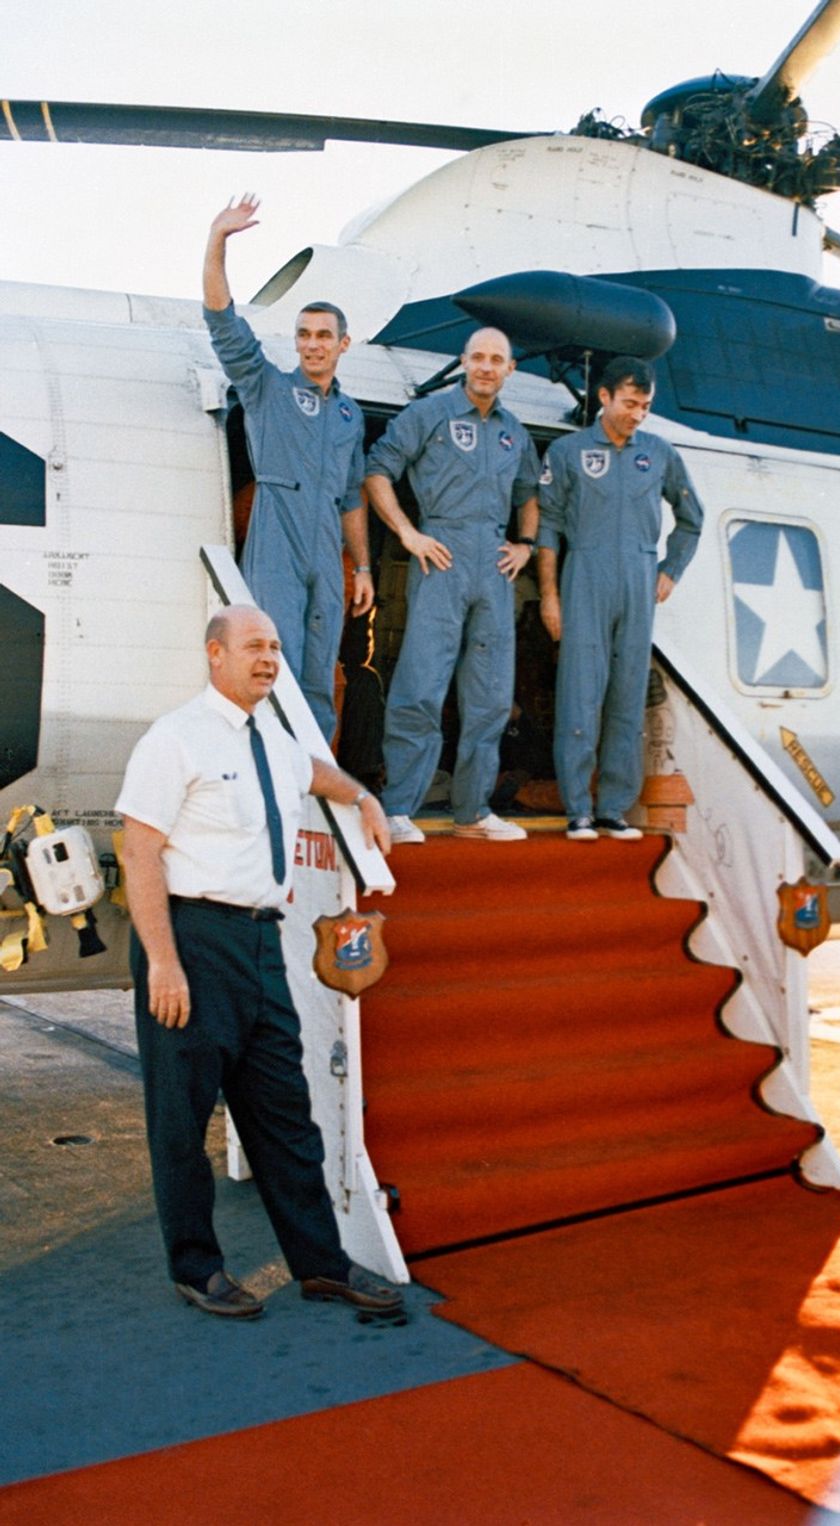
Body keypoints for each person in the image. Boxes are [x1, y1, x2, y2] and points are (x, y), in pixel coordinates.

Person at [116, 604, 402, 1320]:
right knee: (181, 1120)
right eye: (253, 647)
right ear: (215, 654)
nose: (269, 659)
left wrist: (363, 796)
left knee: (285, 1114)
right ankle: (197, 1268)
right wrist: (163, 963)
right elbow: (138, 850)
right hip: (193, 939)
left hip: (261, 942)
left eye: (274, 647)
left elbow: (319, 776)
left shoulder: (272, 743)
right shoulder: (174, 738)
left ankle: (321, 1265)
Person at [203, 194, 373, 742]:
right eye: (304, 334)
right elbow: (223, 324)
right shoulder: (268, 388)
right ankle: (268, 776)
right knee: (273, 663)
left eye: (324, 335)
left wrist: (364, 567)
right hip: (277, 531)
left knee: (321, 672)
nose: (312, 344)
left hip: (327, 547)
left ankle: (311, 787)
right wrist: (217, 241)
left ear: (343, 344)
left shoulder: (350, 415)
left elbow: (351, 498)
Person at [364, 327, 540, 843]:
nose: (486, 367)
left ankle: (473, 811)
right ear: (463, 361)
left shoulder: (515, 432)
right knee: (421, 684)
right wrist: (408, 533)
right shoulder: (428, 415)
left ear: (511, 369)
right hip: (440, 554)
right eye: (478, 357)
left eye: (497, 360)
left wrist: (525, 543)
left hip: (494, 564)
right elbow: (378, 473)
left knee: (490, 695)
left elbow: (530, 492)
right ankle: (399, 808)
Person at [537, 356, 704, 841]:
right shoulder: (568, 452)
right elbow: (548, 525)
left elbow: (692, 517)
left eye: (646, 406)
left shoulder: (660, 453)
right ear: (605, 397)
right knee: (580, 696)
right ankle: (579, 810)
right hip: (583, 573)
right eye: (629, 403)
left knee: (628, 697)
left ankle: (613, 808)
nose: (637, 414)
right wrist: (549, 595)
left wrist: (670, 570)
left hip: (638, 575)